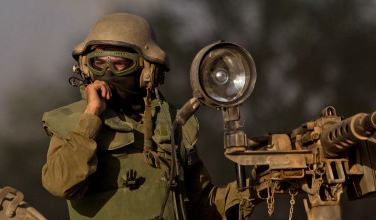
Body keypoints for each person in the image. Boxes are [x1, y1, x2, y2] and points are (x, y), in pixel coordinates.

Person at [41, 12, 257, 220]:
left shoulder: (175, 124)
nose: (107, 73)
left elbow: (201, 206)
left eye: (120, 64)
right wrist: (91, 117)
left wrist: (256, 187)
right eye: (99, 63)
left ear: (148, 72)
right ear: (86, 68)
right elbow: (60, 183)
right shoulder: (74, 123)